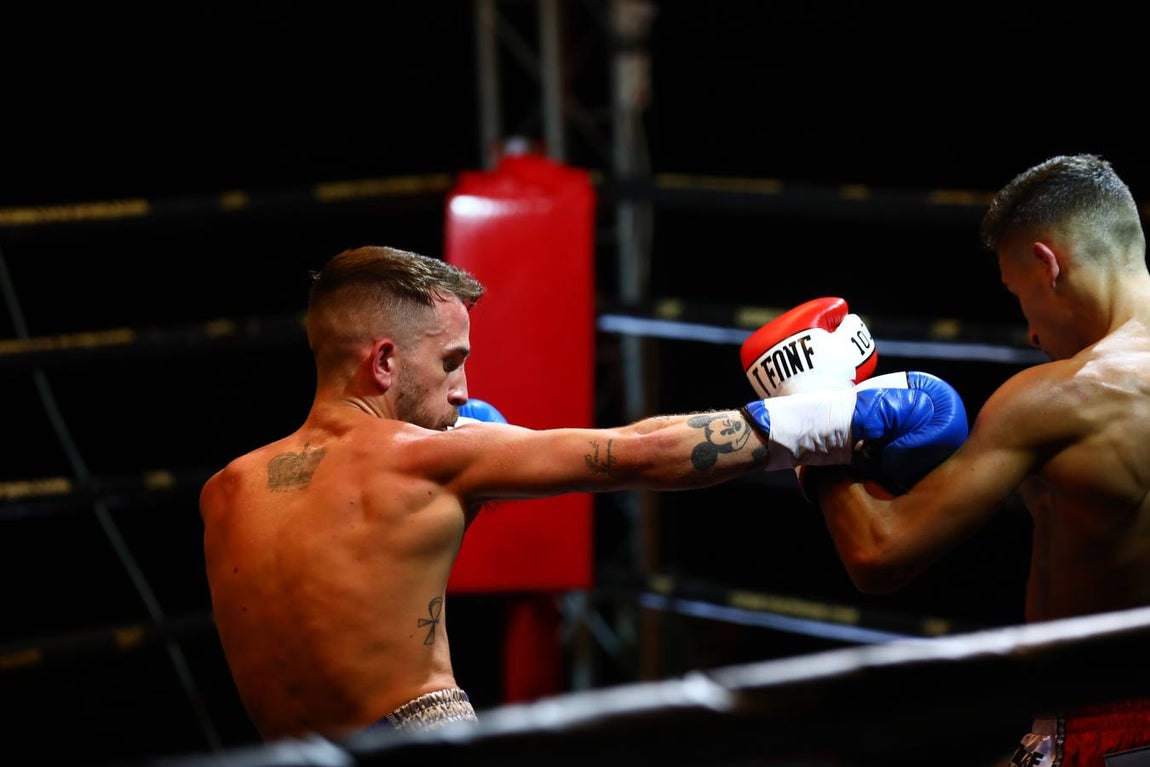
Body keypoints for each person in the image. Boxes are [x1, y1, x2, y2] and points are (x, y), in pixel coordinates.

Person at [198, 245, 966, 744]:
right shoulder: (425, 459)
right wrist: (841, 416)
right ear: (386, 360)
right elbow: (644, 454)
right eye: (454, 360)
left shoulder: (224, 493)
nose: (465, 389)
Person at [801, 154, 1150, 766]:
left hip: (1096, 725)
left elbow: (879, 556)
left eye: (1019, 296)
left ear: (1048, 264)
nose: (1032, 335)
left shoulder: (1060, 398)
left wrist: (817, 430)